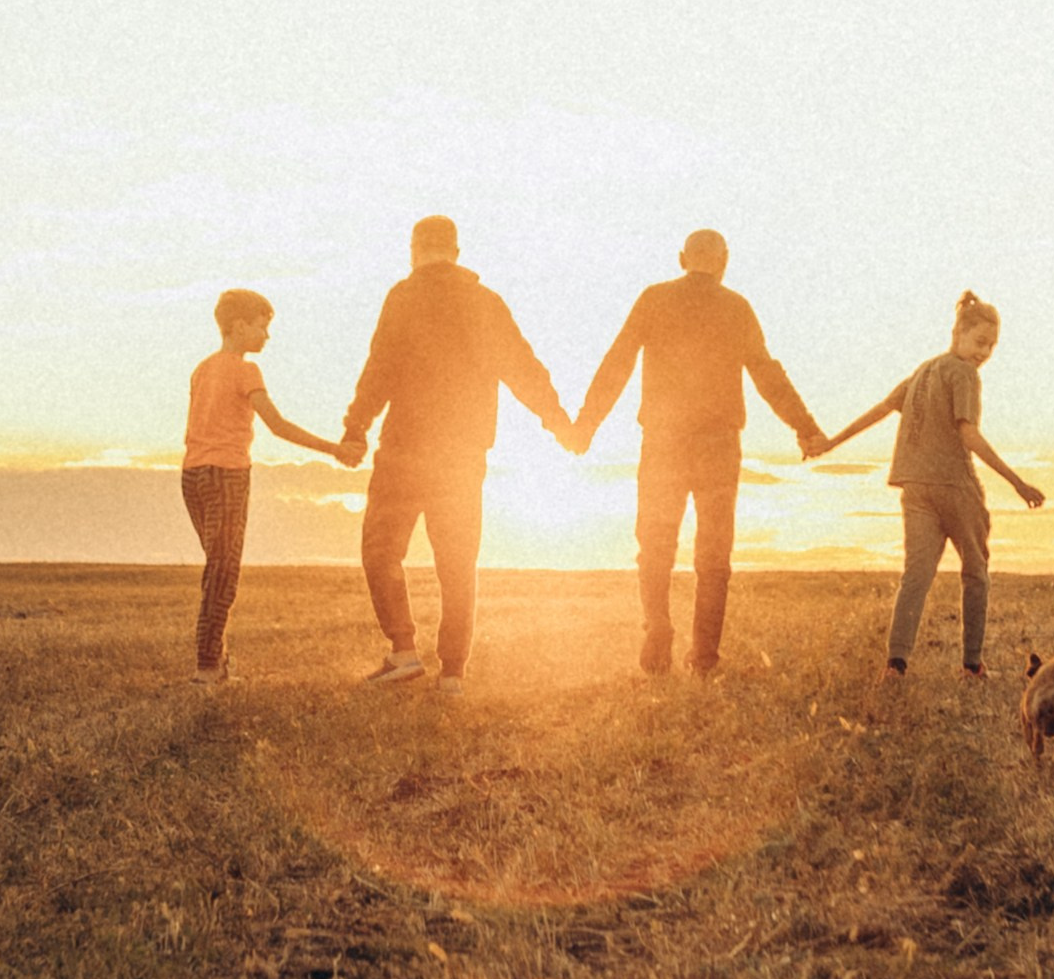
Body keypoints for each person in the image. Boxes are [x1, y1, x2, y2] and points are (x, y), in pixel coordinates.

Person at [572, 227, 829, 677]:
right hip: (718, 446)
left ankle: (658, 626)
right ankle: (705, 658)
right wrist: (805, 428)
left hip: (663, 442)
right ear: (724, 261)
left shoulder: (654, 299)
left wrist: (586, 425)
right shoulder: (736, 308)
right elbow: (767, 374)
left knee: (655, 545)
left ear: (681, 258)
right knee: (714, 555)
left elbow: (618, 362)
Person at [340, 214, 574, 693]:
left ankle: (403, 651)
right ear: (457, 251)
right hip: (464, 452)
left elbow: (379, 367)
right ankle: (453, 673)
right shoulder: (485, 302)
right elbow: (524, 368)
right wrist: (559, 423)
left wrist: (356, 427)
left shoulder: (403, 297)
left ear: (413, 250)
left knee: (381, 551)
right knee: (457, 561)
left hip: (406, 446)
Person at [814, 289, 1043, 685]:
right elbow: (968, 433)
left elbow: (880, 410)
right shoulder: (963, 374)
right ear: (958, 333)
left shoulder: (923, 371)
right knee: (976, 573)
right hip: (955, 487)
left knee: (916, 576)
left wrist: (832, 442)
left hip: (915, 486)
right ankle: (972, 665)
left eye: (991, 346)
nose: (984, 353)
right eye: (979, 342)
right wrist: (1017, 481)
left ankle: (896, 664)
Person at [182, 285, 360, 682]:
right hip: (227, 475)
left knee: (216, 567)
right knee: (224, 571)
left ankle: (215, 661)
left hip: (192, 475)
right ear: (239, 326)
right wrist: (333, 449)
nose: (267, 335)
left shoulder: (202, 369)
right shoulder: (246, 370)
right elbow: (277, 425)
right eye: (262, 327)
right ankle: (207, 668)